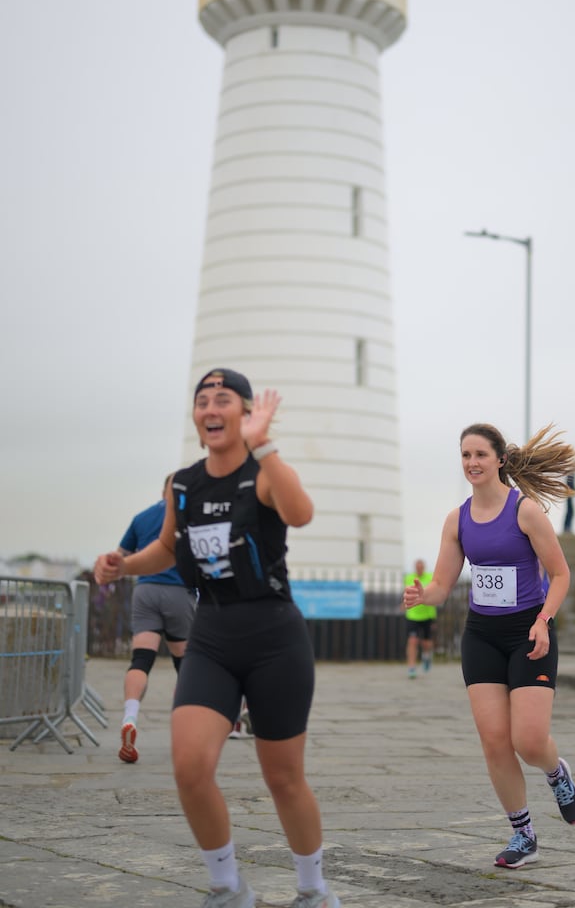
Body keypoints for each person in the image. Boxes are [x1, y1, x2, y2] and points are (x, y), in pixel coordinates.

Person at [94, 368, 340, 908]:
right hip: (212, 635)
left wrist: (266, 445)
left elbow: (301, 513)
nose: (210, 407)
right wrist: (124, 564)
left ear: (245, 411)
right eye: (202, 399)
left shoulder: (264, 472)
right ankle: (229, 888)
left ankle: (314, 890)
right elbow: (166, 548)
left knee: (283, 778)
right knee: (189, 767)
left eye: (222, 399)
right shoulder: (183, 483)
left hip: (275, 636)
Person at [403, 421, 575, 870]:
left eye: (480, 454)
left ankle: (556, 772)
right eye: (465, 455)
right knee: (494, 741)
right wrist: (422, 594)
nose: (472, 463)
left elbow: (560, 574)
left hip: (529, 632)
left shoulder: (526, 512)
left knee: (527, 739)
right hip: (482, 635)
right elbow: (443, 584)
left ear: (500, 460)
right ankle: (523, 833)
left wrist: (544, 621)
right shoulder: (457, 519)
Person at [115, 474, 196, 764]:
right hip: (179, 593)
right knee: (184, 665)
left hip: (145, 590)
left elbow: (121, 556)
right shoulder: (189, 517)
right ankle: (184, 732)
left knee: (141, 660)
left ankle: (130, 717)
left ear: (162, 491)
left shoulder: (142, 517)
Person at [403, 558, 436, 677]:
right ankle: (411, 667)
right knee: (412, 641)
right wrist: (404, 604)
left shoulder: (430, 577)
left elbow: (435, 593)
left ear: (424, 567)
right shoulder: (408, 577)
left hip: (428, 614)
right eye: (417, 566)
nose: (419, 568)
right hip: (412, 615)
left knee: (426, 643)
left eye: (421, 566)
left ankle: (426, 656)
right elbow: (406, 593)